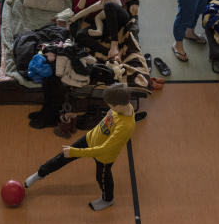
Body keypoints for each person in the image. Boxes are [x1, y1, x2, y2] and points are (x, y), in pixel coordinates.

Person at [24, 83, 136, 211]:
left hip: (103, 156)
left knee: (102, 178)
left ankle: (108, 200)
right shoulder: (122, 105)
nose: (109, 107)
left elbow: (104, 149)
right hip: (90, 139)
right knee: (61, 157)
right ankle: (40, 173)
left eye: (110, 106)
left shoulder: (126, 127)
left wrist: (75, 152)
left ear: (120, 105)